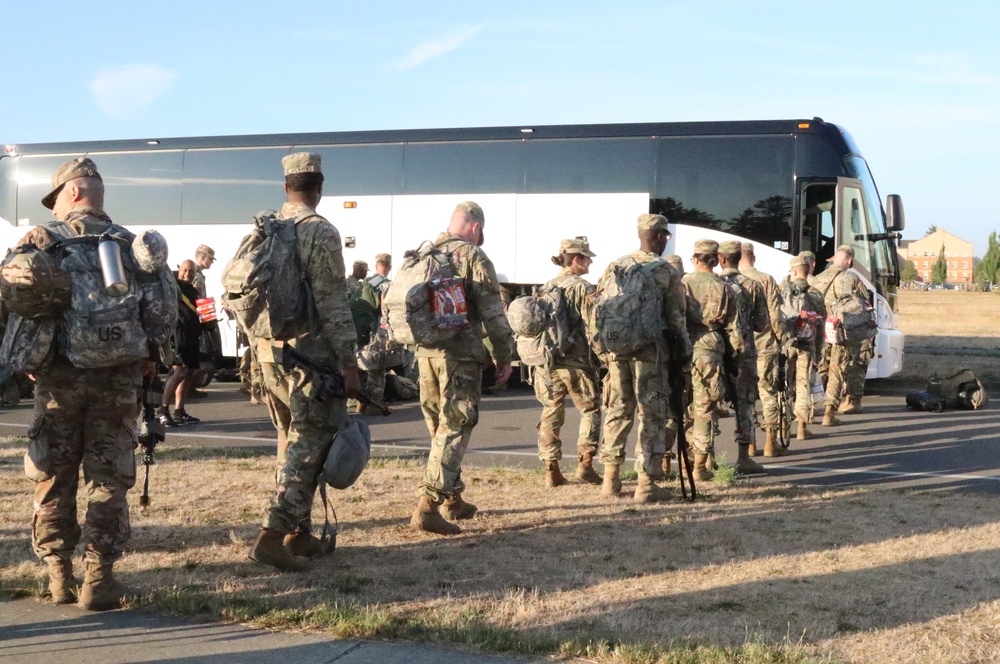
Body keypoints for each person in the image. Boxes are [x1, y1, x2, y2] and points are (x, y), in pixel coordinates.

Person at [18, 158, 172, 610]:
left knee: (53, 474)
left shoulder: (41, 242)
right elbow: (162, 316)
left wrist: (27, 356)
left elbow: (12, 302)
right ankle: (99, 578)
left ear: (72, 193)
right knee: (108, 477)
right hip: (118, 379)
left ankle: (58, 575)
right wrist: (148, 360)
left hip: (58, 380)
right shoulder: (131, 245)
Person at [247, 152, 360, 571]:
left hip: (269, 353)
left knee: (290, 441)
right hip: (309, 359)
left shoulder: (267, 229)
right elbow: (333, 302)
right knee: (309, 446)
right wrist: (349, 361)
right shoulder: (319, 231)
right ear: (320, 187)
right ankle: (272, 535)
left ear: (286, 187)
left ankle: (299, 531)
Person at [410, 201, 514, 535]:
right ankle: (428, 508)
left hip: (426, 354)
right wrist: (504, 356)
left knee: (440, 428)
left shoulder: (425, 253)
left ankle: (452, 499)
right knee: (455, 426)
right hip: (460, 355)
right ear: (474, 227)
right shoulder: (472, 255)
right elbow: (493, 313)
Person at [597, 214, 691, 503]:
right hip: (651, 353)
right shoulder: (665, 271)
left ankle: (610, 479)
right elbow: (676, 320)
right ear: (661, 236)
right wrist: (685, 359)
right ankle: (646, 484)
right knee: (651, 415)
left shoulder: (616, 266)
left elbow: (598, 310)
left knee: (618, 409)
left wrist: (603, 350)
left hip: (617, 352)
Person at [532, 238, 602, 488]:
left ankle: (552, 470)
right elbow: (593, 326)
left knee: (551, 410)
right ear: (576, 260)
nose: (591, 261)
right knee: (590, 409)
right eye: (587, 257)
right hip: (576, 361)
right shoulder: (582, 287)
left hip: (548, 361)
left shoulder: (546, 286)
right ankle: (585, 465)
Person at [682, 240, 742, 481]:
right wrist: (734, 360)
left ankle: (668, 461)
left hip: (682, 347)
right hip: (710, 347)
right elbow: (734, 328)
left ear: (696, 259)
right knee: (705, 408)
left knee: (681, 405)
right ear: (716, 260)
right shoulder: (725, 287)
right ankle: (700, 465)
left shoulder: (682, 283)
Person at [718, 241, 767, 472]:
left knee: (708, 402)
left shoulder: (714, 283)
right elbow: (761, 323)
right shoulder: (753, 286)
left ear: (721, 259)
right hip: (744, 353)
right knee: (744, 404)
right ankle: (743, 456)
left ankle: (705, 459)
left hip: (715, 351)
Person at [812, 245, 874, 424]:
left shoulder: (817, 279)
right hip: (842, 330)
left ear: (833, 258)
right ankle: (838, 408)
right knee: (841, 368)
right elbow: (864, 304)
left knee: (821, 367)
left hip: (821, 330)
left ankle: (811, 406)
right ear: (849, 261)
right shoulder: (852, 278)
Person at [739, 242, 785, 456]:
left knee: (746, 396)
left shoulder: (729, 280)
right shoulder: (766, 279)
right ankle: (770, 442)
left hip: (741, 348)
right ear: (753, 258)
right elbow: (775, 316)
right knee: (768, 394)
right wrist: (781, 339)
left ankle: (749, 443)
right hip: (765, 344)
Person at [782, 256, 826, 440]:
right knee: (803, 385)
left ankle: (783, 428)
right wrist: (818, 351)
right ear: (807, 272)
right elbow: (821, 324)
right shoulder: (815, 294)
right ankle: (801, 427)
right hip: (806, 345)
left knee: (784, 385)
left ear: (792, 271)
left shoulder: (782, 291)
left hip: (786, 344)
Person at [158, 259, 202, 426]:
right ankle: (162, 410)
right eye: (185, 270)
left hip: (192, 335)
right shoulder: (174, 287)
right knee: (179, 372)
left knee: (188, 373)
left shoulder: (193, 291)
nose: (187, 274)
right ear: (179, 269)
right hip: (179, 335)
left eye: (191, 271)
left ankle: (179, 411)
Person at [356, 253, 400, 408]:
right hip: (374, 328)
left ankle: (358, 400)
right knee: (377, 365)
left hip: (358, 328)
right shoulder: (387, 284)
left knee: (361, 364)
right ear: (389, 267)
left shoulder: (367, 282)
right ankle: (373, 403)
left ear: (376, 266)